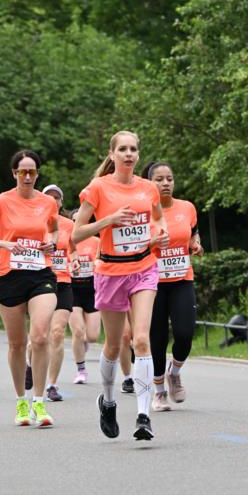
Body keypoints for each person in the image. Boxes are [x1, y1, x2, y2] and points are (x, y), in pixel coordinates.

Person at [72, 130, 167, 441]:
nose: (129, 154)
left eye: (134, 149)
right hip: (110, 272)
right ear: (112, 155)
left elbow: (158, 219)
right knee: (113, 345)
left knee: (140, 339)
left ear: (138, 155)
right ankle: (108, 401)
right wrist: (108, 221)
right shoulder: (98, 188)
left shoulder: (149, 188)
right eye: (123, 149)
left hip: (144, 267)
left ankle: (143, 416)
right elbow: (76, 235)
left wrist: (158, 235)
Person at [0, 149, 58, 427]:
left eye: (33, 171)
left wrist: (52, 243)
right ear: (14, 174)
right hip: (10, 276)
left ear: (38, 174)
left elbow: (54, 231)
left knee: (42, 336)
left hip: (41, 274)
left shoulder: (48, 203)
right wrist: (5, 244)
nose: (29, 176)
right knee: (17, 343)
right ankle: (21, 402)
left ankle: (40, 403)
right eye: (23, 172)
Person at [145, 162, 203, 411]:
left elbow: (193, 232)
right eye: (159, 179)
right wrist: (152, 242)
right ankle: (158, 391)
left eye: (169, 178)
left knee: (184, 332)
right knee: (157, 338)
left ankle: (175, 372)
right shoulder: (143, 213)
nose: (166, 183)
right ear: (150, 184)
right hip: (152, 283)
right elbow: (130, 247)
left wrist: (196, 243)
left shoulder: (187, 208)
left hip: (181, 279)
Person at [33, 184, 79, 401]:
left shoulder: (69, 225)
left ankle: (52, 385)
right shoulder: (32, 223)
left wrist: (76, 261)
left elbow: (74, 249)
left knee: (58, 332)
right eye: (48, 197)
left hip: (63, 282)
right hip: (39, 282)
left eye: (56, 197)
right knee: (38, 335)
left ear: (61, 202)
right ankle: (29, 366)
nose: (53, 200)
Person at [68, 209, 100, 384]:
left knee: (93, 336)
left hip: (93, 290)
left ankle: (84, 343)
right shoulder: (68, 241)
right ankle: (81, 371)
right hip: (72, 290)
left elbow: (102, 260)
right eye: (74, 221)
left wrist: (96, 263)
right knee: (78, 331)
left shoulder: (97, 241)